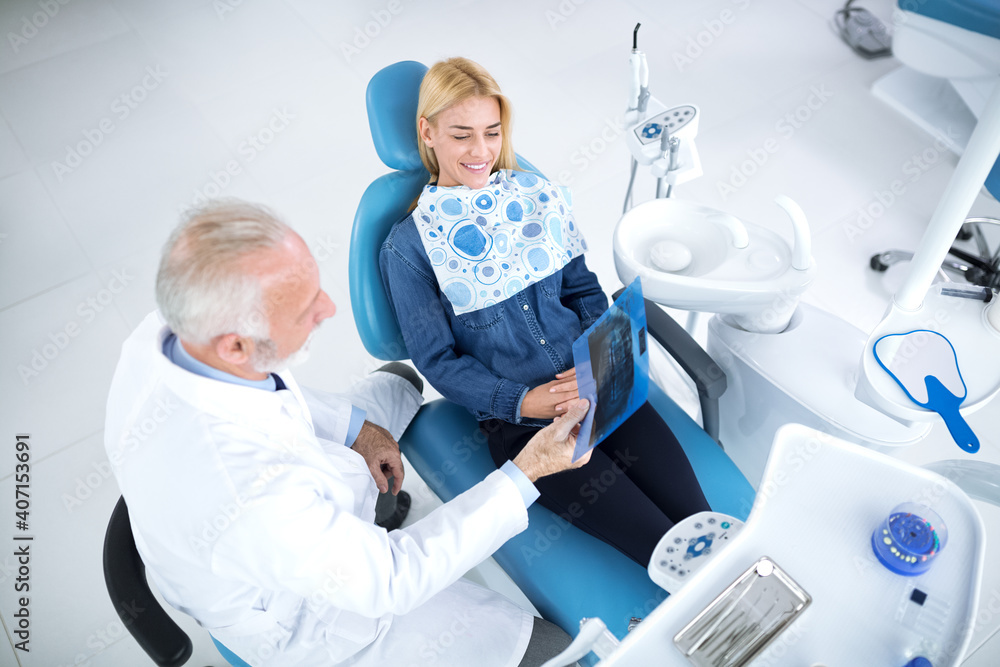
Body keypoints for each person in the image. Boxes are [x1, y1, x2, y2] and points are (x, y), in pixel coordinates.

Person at [104, 199, 592, 667]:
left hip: (261, 513)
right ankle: (376, 523)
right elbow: (394, 578)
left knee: (399, 383)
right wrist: (527, 470)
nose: (330, 307)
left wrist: (358, 429)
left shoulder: (168, 334)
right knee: (554, 653)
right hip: (314, 617)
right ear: (235, 346)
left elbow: (265, 391)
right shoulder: (250, 496)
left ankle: (377, 506)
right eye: (305, 309)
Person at [379, 57, 712, 568]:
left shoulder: (533, 196)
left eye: (492, 132)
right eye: (462, 135)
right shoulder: (409, 248)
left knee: (701, 523)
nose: (481, 151)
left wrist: (603, 358)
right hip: (527, 428)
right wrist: (524, 401)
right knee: (665, 550)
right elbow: (437, 360)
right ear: (427, 132)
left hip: (599, 386)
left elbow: (582, 288)